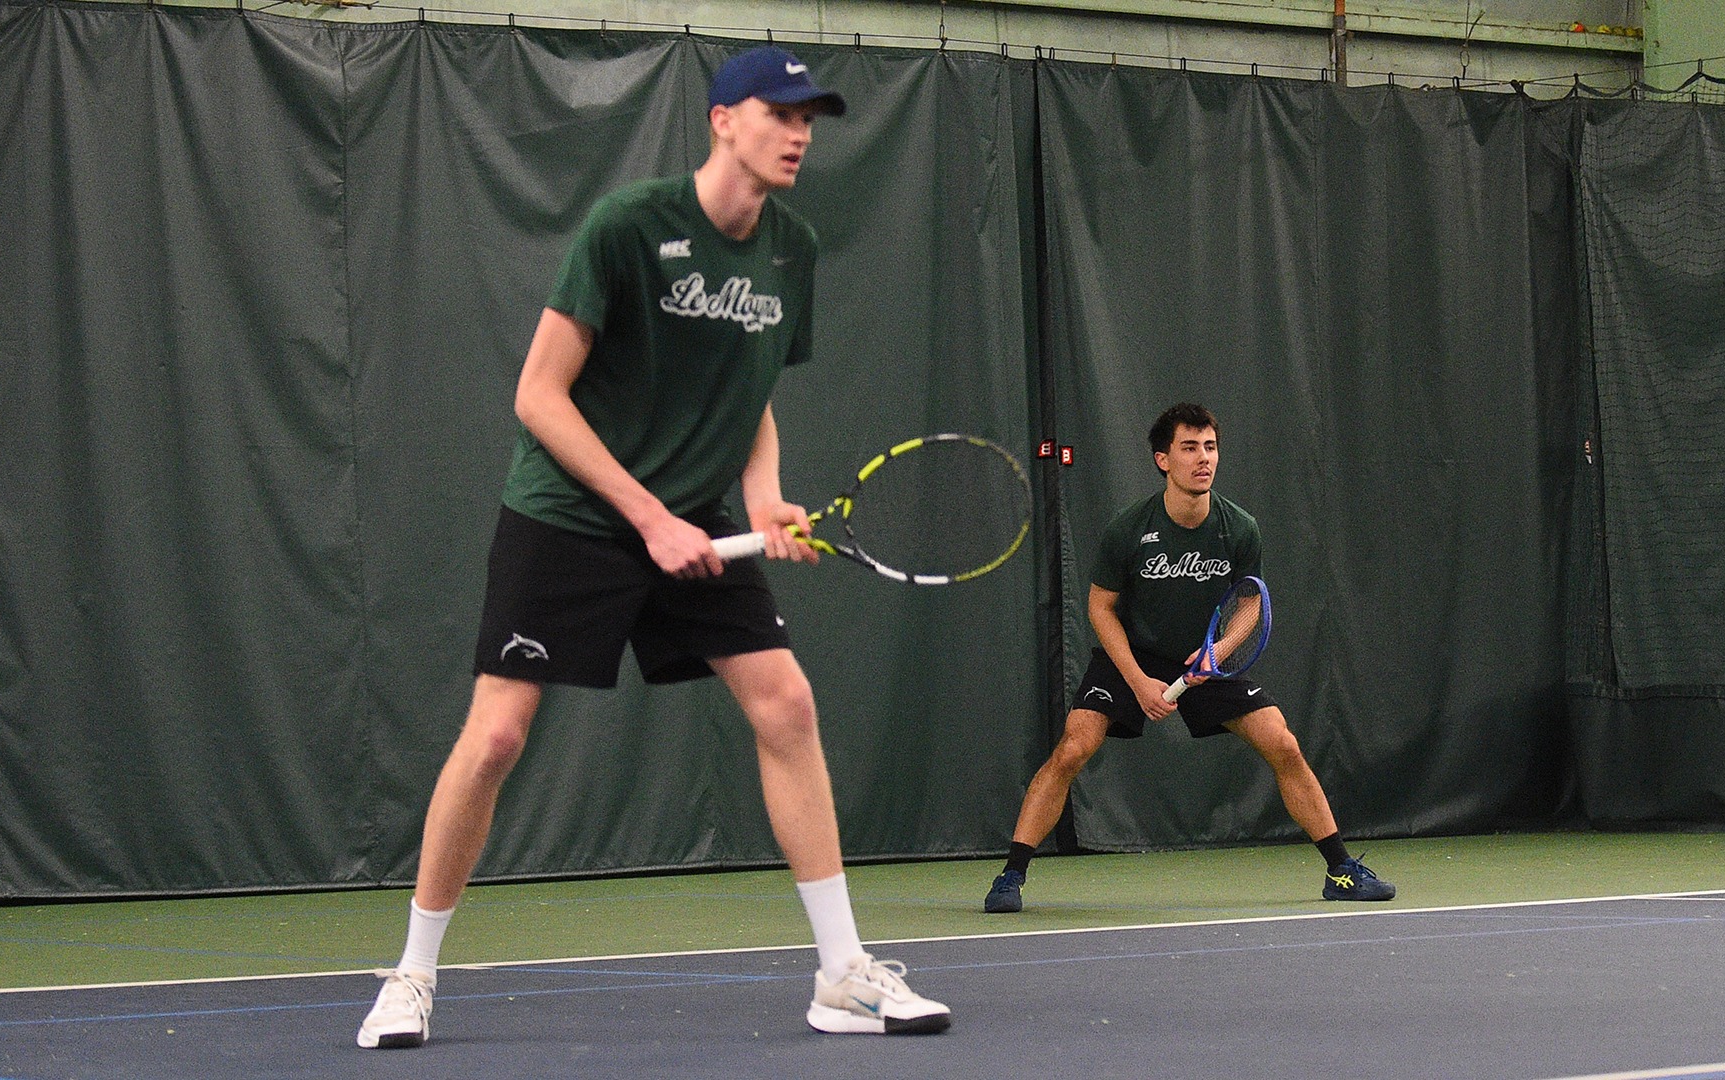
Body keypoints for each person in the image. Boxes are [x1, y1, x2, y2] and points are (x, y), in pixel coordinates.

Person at [357, 45, 950, 1049]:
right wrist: (648, 517)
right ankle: (411, 974)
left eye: (813, 119)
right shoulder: (628, 226)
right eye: (783, 113)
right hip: (572, 515)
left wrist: (764, 502)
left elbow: (753, 394)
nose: (801, 133)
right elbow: (537, 395)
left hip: (697, 515)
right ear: (723, 119)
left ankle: (842, 973)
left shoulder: (792, 249)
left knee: (788, 703)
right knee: (497, 736)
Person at [982, 402, 1395, 914]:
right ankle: (1010, 877)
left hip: (1203, 656)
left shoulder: (1239, 528)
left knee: (1282, 741)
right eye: (1190, 448)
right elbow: (1100, 607)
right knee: (1072, 748)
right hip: (1130, 657)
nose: (1204, 459)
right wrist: (1136, 680)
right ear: (1163, 460)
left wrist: (1216, 653)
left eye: (1211, 447)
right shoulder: (1128, 529)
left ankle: (1341, 871)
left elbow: (1250, 601)